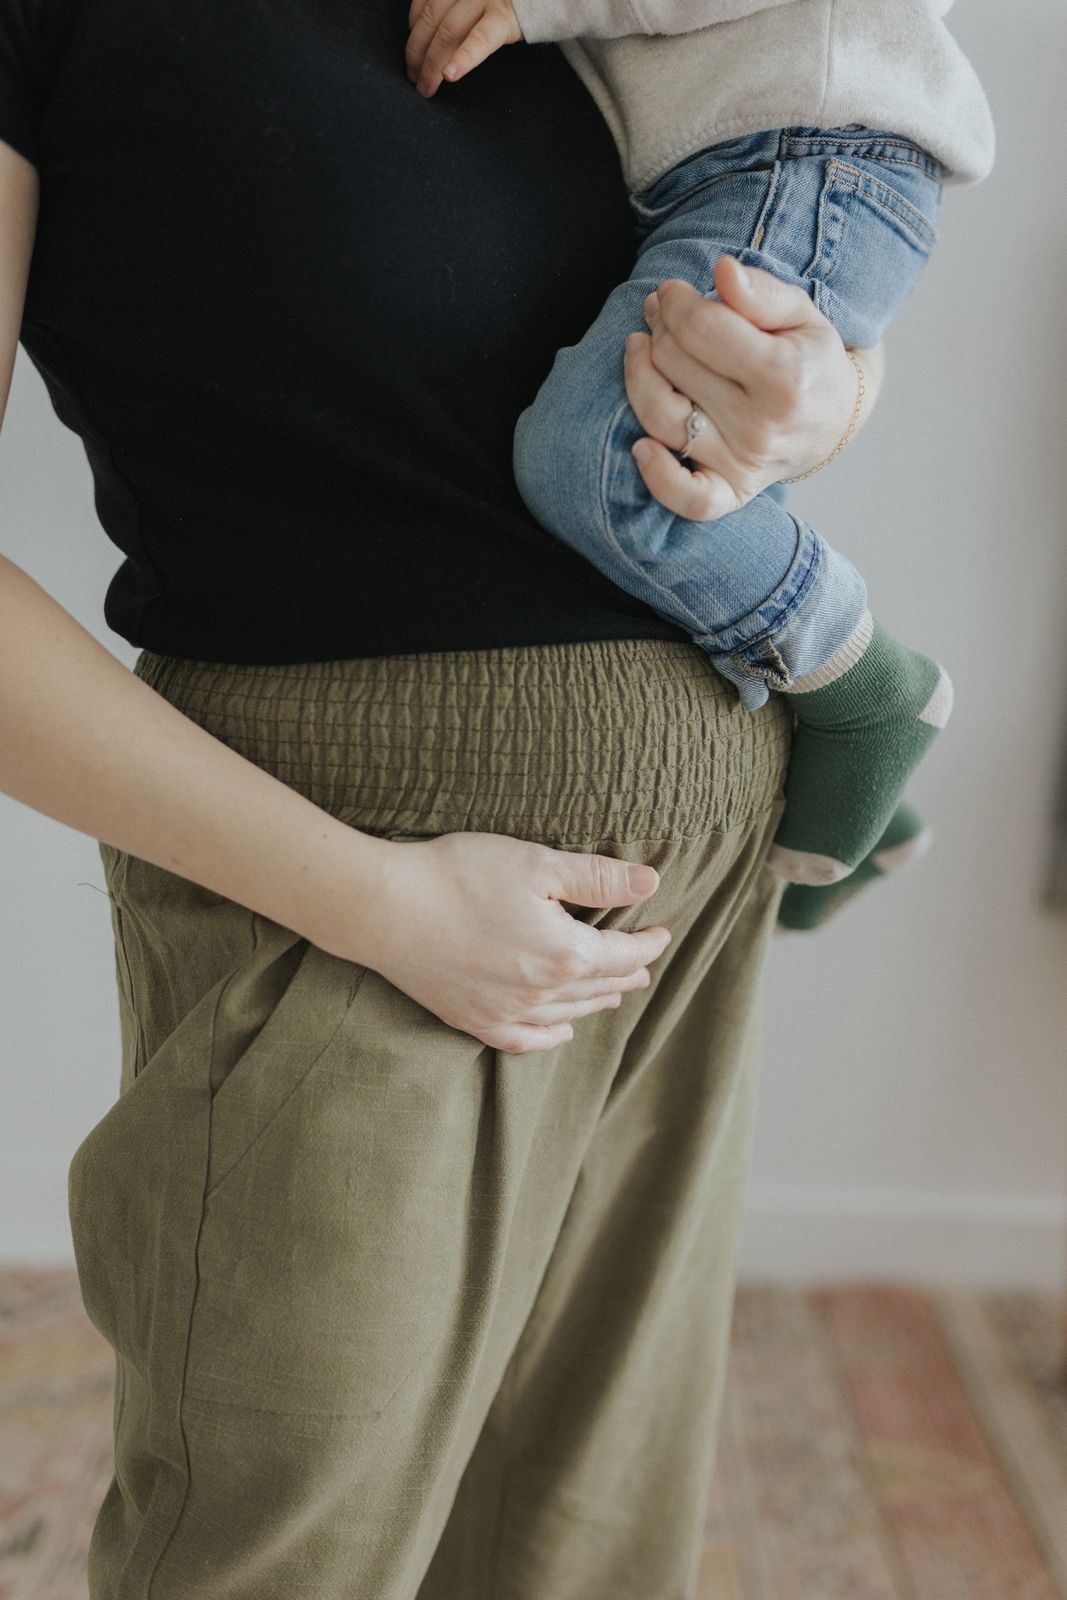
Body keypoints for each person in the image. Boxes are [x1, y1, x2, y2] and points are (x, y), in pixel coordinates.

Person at [0, 3, 882, 1596]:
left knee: (580, 1554)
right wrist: (377, 902)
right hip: (347, 906)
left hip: (684, 889)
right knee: (275, 1556)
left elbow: (769, 241)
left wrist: (828, 395)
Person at [407, 0, 994, 929]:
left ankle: (866, 691)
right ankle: (839, 794)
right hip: (760, 163)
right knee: (687, 496)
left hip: (800, 152)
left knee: (606, 466)